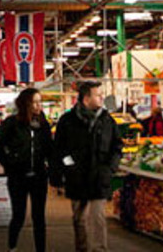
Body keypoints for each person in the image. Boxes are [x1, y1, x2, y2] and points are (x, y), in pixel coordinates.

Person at [54, 81, 121, 252]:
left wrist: (110, 168)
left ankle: (99, 249)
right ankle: (82, 248)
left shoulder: (107, 120)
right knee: (80, 219)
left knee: (98, 217)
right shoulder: (67, 121)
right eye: (98, 95)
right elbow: (60, 149)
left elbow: (117, 147)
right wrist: (70, 167)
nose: (101, 98)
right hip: (77, 178)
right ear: (86, 99)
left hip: (99, 176)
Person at [0, 88, 53, 252]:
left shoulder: (43, 124)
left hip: (39, 177)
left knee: (39, 217)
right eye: (35, 102)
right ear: (25, 103)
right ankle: (12, 246)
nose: (38, 105)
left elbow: (49, 148)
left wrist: (53, 166)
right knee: (18, 215)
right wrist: (10, 164)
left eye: (40, 102)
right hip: (18, 177)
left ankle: (41, 249)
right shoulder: (12, 123)